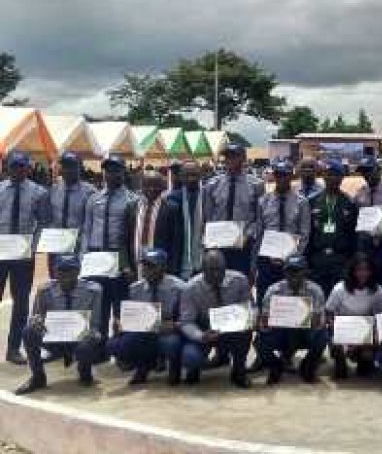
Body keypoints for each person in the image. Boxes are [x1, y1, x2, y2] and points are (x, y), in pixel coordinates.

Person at [15, 254, 102, 395]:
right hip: (53, 337)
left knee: (91, 339)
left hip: (80, 339)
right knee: (28, 331)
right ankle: (38, 377)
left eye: (70, 270)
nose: (66, 274)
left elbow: (95, 323)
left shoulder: (93, 291)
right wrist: (36, 322)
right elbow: (35, 317)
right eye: (61, 270)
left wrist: (89, 335)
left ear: (78, 271)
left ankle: (84, 371)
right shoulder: (44, 290)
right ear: (55, 272)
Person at [81, 155, 139, 348]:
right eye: (108, 170)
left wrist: (129, 264)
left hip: (119, 259)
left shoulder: (133, 200)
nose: (111, 174)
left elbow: (133, 236)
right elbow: (87, 229)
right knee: (99, 304)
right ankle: (100, 346)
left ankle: (120, 347)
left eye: (116, 170)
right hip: (96, 258)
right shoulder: (94, 199)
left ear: (124, 172)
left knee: (120, 305)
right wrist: (84, 258)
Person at [0, 151, 51, 364]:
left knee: (21, 302)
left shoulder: (39, 192)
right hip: (0, 252)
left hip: (23, 255)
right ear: (7, 168)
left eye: (22, 166)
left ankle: (13, 349)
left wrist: (34, 244)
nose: (18, 170)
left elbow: (43, 222)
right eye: (14, 166)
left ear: (28, 168)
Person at [107, 248, 184, 385]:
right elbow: (131, 316)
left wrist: (175, 325)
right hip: (144, 332)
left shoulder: (179, 288)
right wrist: (120, 323)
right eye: (145, 265)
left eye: (152, 266)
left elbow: (186, 318)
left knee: (171, 343)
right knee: (115, 344)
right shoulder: (135, 289)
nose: (146, 270)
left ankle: (174, 367)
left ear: (164, 267)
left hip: (168, 331)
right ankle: (143, 367)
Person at [179, 249, 253, 388]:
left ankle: (239, 370)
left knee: (246, 332)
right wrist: (201, 336)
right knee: (190, 356)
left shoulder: (240, 280)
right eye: (212, 270)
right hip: (204, 328)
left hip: (233, 329)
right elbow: (186, 322)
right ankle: (194, 369)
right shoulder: (190, 288)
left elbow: (249, 308)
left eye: (220, 269)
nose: (217, 274)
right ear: (202, 269)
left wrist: (252, 318)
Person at [257, 255, 328, 385]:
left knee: (322, 336)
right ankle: (276, 366)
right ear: (284, 272)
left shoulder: (315, 290)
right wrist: (264, 323)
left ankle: (307, 366)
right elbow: (264, 320)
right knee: (260, 341)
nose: (293, 274)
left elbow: (320, 322)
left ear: (306, 271)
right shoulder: (273, 290)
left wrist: (312, 321)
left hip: (305, 332)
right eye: (290, 271)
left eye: (298, 270)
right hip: (281, 332)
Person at [253, 161, 311, 310]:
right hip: (267, 260)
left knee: (290, 301)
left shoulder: (302, 202)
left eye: (285, 175)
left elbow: (304, 234)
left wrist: (292, 257)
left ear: (291, 176)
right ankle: (265, 331)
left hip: (292, 262)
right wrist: (256, 262)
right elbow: (259, 233)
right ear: (274, 176)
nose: (281, 179)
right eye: (278, 175)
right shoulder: (263, 201)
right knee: (265, 299)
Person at [202, 144, 264, 274]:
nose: (229, 160)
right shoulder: (212, 184)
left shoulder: (256, 185)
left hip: (243, 244)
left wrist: (249, 235)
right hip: (218, 244)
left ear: (243, 159)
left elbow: (258, 218)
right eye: (227, 156)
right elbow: (208, 216)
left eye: (234, 156)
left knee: (240, 281)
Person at [305, 160, 358, 295]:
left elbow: (353, 234)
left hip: (340, 259)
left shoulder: (350, 202)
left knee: (338, 299)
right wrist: (307, 260)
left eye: (336, 174)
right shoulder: (312, 201)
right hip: (318, 259)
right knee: (318, 297)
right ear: (323, 177)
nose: (332, 178)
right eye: (328, 174)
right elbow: (307, 232)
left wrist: (351, 261)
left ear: (342, 177)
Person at [325, 253, 379, 379]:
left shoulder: (377, 291)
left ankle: (363, 360)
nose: (363, 273)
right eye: (359, 269)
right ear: (352, 271)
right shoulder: (340, 289)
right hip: (342, 333)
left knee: (365, 370)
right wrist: (335, 328)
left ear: (372, 271)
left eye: (367, 269)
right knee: (340, 373)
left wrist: (368, 339)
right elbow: (328, 311)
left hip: (365, 335)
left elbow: (379, 317)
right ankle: (340, 360)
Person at [46, 151, 96, 277]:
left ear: (80, 168)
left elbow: (91, 223)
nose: (68, 170)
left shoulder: (90, 192)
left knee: (76, 282)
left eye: (72, 166)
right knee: (56, 281)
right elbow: (48, 219)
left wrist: (85, 249)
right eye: (65, 166)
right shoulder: (53, 190)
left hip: (77, 247)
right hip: (56, 246)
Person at [157, 161, 204, 280]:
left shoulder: (208, 196)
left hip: (203, 261)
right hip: (179, 262)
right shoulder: (171, 199)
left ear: (200, 175)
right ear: (181, 177)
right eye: (187, 175)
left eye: (194, 174)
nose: (191, 179)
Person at [133, 170, 167, 263]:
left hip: (159, 267)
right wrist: (126, 265)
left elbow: (175, 243)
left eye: (156, 185)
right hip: (135, 265)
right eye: (147, 185)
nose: (151, 189)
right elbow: (125, 238)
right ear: (141, 187)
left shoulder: (170, 208)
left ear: (162, 187)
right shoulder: (131, 207)